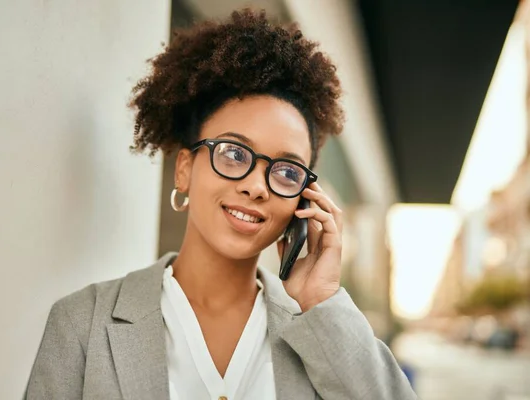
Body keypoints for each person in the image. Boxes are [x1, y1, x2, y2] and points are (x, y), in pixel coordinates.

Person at [25, 9, 417, 400]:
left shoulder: (321, 335)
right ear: (184, 170)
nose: (256, 187)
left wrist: (321, 301)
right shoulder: (83, 323)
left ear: (304, 200)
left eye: (286, 171)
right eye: (233, 153)